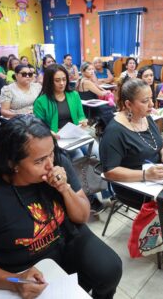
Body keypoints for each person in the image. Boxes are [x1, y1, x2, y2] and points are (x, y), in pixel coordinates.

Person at [0, 115, 122, 299]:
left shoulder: (59, 163)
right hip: (23, 263)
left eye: (51, 154)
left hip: (68, 239)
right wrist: (15, 281)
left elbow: (81, 216)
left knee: (109, 269)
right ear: (12, 163)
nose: (50, 165)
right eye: (39, 161)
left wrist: (64, 189)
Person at [99, 78, 163, 249]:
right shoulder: (115, 132)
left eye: (151, 98)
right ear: (128, 104)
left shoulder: (146, 117)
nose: (152, 104)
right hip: (133, 184)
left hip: (155, 174)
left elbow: (159, 143)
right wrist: (146, 175)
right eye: (145, 101)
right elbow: (110, 172)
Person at [34, 64, 107, 213]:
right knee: (78, 158)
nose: (62, 83)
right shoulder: (41, 101)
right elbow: (38, 126)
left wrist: (83, 121)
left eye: (64, 79)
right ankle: (88, 198)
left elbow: (80, 114)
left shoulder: (73, 95)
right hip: (58, 139)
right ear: (49, 81)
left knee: (100, 154)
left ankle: (107, 190)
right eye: (57, 80)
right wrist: (50, 132)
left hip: (75, 134)